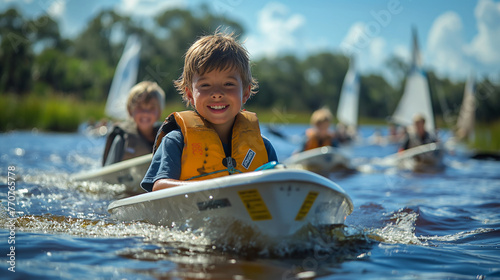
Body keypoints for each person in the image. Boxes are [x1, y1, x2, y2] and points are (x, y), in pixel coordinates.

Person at [141, 30, 278, 192]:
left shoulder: (264, 146)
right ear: (190, 94)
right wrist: (216, 187)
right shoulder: (175, 141)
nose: (217, 93)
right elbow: (159, 187)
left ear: (246, 93)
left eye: (228, 84)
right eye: (205, 85)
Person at [102, 81, 165, 166]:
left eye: (151, 108)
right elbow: (108, 172)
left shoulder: (166, 138)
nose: (145, 113)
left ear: (159, 112)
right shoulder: (121, 139)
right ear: (130, 110)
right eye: (140, 107)